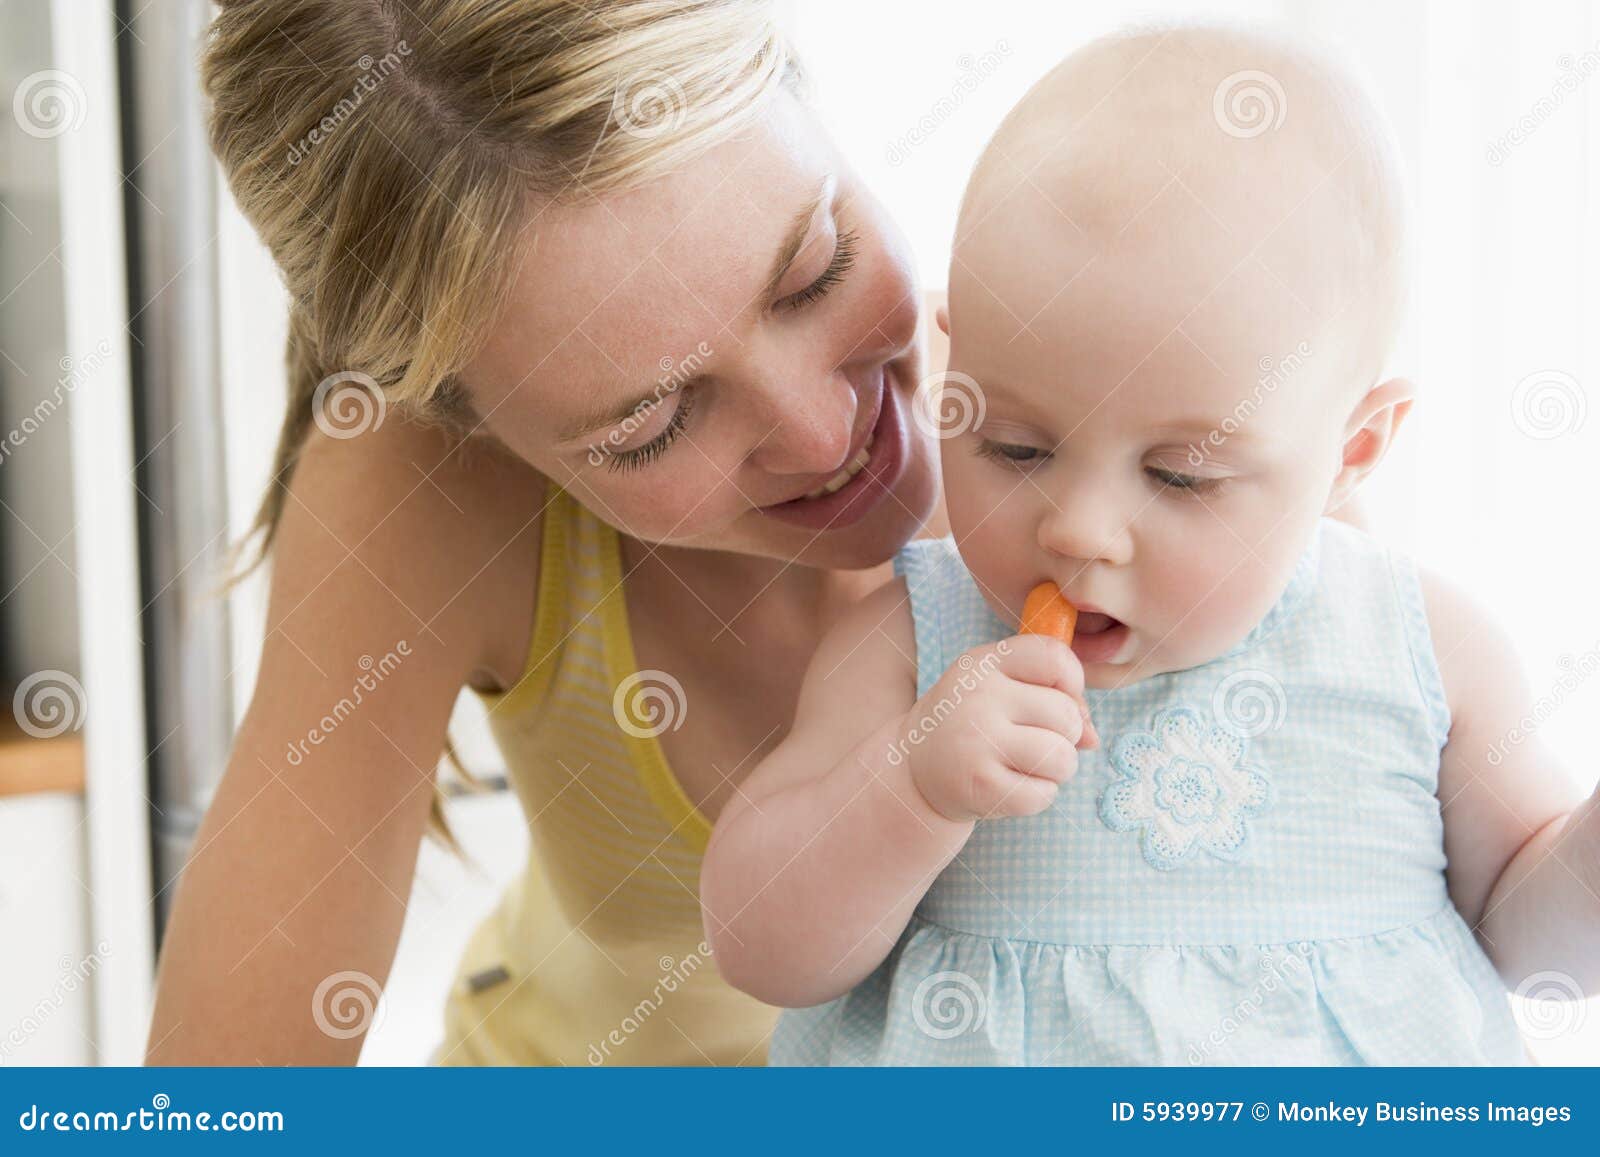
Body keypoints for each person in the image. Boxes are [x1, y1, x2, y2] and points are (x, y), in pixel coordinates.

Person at [701, 23, 1598, 1064]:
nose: (1079, 527)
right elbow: (760, 944)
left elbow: (1533, 944)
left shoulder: (1420, 647)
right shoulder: (915, 641)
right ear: (954, 363)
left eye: (1181, 475)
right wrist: (907, 787)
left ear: (1351, 448)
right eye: (1016, 445)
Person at [147, 0, 943, 1066]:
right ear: (470, 430)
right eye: (652, 425)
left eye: (816, 268)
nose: (820, 430)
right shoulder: (426, 491)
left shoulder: (1112, 365)